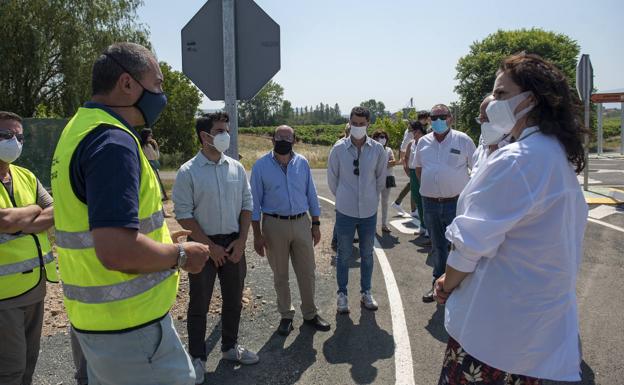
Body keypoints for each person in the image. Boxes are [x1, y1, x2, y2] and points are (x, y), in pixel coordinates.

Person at [50, 42, 210, 385]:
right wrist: (182, 255)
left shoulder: (79, 129)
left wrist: (162, 239)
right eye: (158, 83)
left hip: (102, 326)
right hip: (131, 332)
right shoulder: (112, 143)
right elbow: (117, 250)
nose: (161, 94)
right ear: (127, 84)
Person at [434, 53, 589, 384]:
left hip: (495, 339)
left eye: (502, 94)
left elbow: (468, 246)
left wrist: (446, 284)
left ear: (529, 100)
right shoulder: (551, 154)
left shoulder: (518, 160)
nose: (493, 104)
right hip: (532, 337)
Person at [173, 112, 258, 384]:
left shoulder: (235, 167)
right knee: (199, 303)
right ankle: (197, 358)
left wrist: (242, 240)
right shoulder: (188, 172)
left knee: (233, 299)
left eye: (227, 130)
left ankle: (230, 348)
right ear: (204, 136)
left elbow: (247, 205)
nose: (226, 136)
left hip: (234, 244)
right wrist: (210, 248)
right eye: (220, 131)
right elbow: (183, 214)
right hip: (202, 246)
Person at [250, 125, 331, 336]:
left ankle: (310, 313)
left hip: (302, 222)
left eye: (288, 136)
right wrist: (257, 235)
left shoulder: (302, 162)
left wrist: (316, 223)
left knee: (307, 272)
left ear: (294, 139)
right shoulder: (260, 166)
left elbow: (311, 193)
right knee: (280, 274)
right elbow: (254, 204)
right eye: (280, 136)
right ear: (272, 139)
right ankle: (286, 315)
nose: (284, 139)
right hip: (274, 225)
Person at [0, 111, 58, 385]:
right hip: (3, 295)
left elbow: (55, 211)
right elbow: (3, 220)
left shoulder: (26, 176)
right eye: (6, 135)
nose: (14, 141)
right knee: (9, 369)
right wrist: (34, 211)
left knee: (28, 362)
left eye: (19, 136)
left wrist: (21, 220)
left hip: (35, 286)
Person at [414, 103, 475, 303]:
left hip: (455, 203)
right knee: (438, 246)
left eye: (442, 116)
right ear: (429, 120)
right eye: (434, 117)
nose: (438, 121)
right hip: (430, 203)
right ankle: (437, 284)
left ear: (450, 118)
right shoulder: (422, 142)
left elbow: (476, 170)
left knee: (458, 246)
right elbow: (419, 169)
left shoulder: (463, 140)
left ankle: (457, 287)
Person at [327, 106, 387, 313]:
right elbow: (332, 179)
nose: (358, 127)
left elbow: (380, 179)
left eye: (362, 124)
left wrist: (369, 198)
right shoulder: (338, 149)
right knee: (343, 255)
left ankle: (366, 292)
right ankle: (342, 294)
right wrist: (344, 198)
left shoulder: (377, 150)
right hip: (345, 211)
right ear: (349, 123)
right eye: (355, 123)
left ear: (368, 124)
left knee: (367, 254)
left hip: (369, 211)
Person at [392, 111, 430, 217]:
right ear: (423, 118)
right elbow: (405, 145)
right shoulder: (413, 129)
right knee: (414, 186)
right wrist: (404, 161)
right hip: (411, 159)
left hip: (415, 159)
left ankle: (398, 202)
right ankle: (413, 209)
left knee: (412, 185)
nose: (428, 121)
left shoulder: (421, 128)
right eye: (427, 119)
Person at [470, 94, 512, 177]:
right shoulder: (482, 145)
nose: (484, 124)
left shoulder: (516, 149)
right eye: (481, 119)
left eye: (488, 118)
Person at [403, 121, 428, 237]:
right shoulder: (411, 143)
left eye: (413, 130)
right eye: (412, 131)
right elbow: (406, 157)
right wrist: (407, 169)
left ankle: (429, 228)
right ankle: (423, 225)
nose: (412, 133)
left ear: (419, 131)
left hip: (425, 173)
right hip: (414, 173)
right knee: (418, 200)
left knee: (427, 200)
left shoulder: (428, 142)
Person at [371, 129, 396, 233]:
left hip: (387, 178)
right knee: (374, 202)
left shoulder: (388, 150)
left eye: (384, 137)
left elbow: (393, 162)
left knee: (385, 202)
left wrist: (382, 164)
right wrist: (385, 163)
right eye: (380, 137)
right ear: (375, 138)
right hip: (374, 179)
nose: (382, 139)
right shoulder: (371, 149)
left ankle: (384, 224)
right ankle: (372, 225)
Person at [140, 128, 168, 200]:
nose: (151, 136)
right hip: (151, 166)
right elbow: (156, 156)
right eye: (150, 134)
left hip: (145, 166)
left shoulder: (140, 145)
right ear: (146, 136)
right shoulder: (148, 146)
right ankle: (159, 197)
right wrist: (156, 146)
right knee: (155, 182)